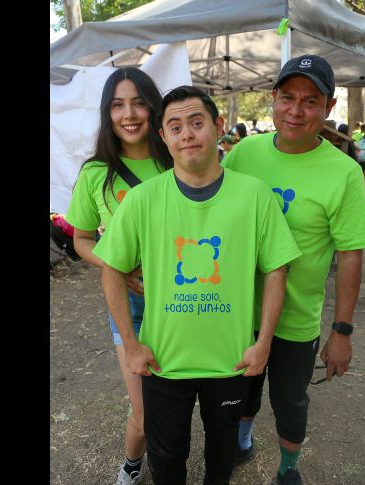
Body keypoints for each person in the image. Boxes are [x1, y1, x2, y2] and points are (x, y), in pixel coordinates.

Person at [93, 85, 302, 485]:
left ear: (217, 127)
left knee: (222, 456)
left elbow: (276, 270)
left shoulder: (254, 195)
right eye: (175, 126)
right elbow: (110, 269)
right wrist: (131, 344)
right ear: (163, 137)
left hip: (231, 361)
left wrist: (264, 344)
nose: (186, 133)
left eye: (196, 122)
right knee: (167, 458)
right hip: (163, 363)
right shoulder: (142, 200)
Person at [222, 54, 365, 484]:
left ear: (328, 107)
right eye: (287, 97)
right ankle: (242, 441)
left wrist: (341, 331)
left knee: (290, 402)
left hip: (296, 319)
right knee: (241, 393)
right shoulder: (244, 153)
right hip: (237, 311)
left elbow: (351, 253)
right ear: (273, 99)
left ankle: (288, 470)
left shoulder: (344, 172)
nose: (296, 110)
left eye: (310, 101)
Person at [64, 67, 173, 485]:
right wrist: (119, 269)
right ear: (107, 114)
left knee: (179, 395)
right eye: (117, 104)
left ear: (153, 107)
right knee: (144, 412)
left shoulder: (176, 161)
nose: (129, 114)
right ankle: (132, 463)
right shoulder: (96, 174)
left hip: (185, 296)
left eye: (139, 102)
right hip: (129, 305)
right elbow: (82, 240)